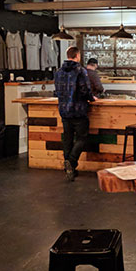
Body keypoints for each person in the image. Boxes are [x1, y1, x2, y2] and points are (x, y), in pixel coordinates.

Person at [55, 46, 95, 182]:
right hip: (79, 110)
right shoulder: (80, 71)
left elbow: (57, 91)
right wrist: (92, 98)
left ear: (67, 55)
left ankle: (69, 169)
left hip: (64, 110)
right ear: (77, 56)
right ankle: (71, 162)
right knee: (82, 138)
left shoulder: (59, 72)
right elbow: (85, 90)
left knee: (67, 139)